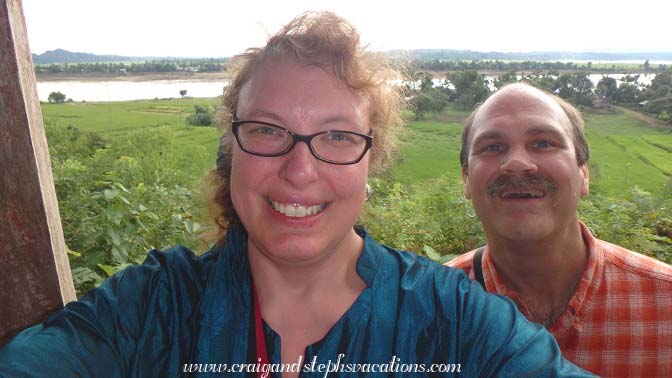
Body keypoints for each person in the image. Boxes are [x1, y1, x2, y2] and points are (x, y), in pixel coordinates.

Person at [0, 13, 591, 377]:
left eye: (336, 136)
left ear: (371, 160)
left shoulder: (452, 319)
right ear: (232, 150)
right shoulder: (153, 307)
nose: (299, 169)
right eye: (267, 131)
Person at [446, 82, 672, 377]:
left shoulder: (664, 303)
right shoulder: (425, 312)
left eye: (543, 143)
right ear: (465, 178)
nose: (516, 163)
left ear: (583, 174)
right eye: (492, 147)